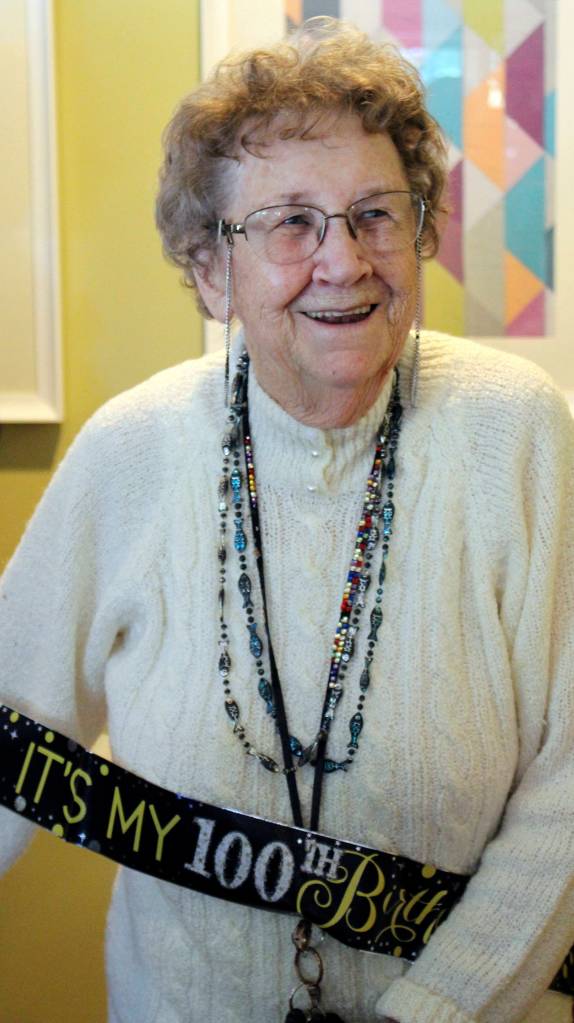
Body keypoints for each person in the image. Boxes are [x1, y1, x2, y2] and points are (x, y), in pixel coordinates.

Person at [1, 16, 573, 1023]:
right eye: (290, 223)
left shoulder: (514, 434)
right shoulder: (130, 451)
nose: (343, 260)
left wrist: (432, 1012)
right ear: (211, 268)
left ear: (420, 231)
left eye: (374, 214)